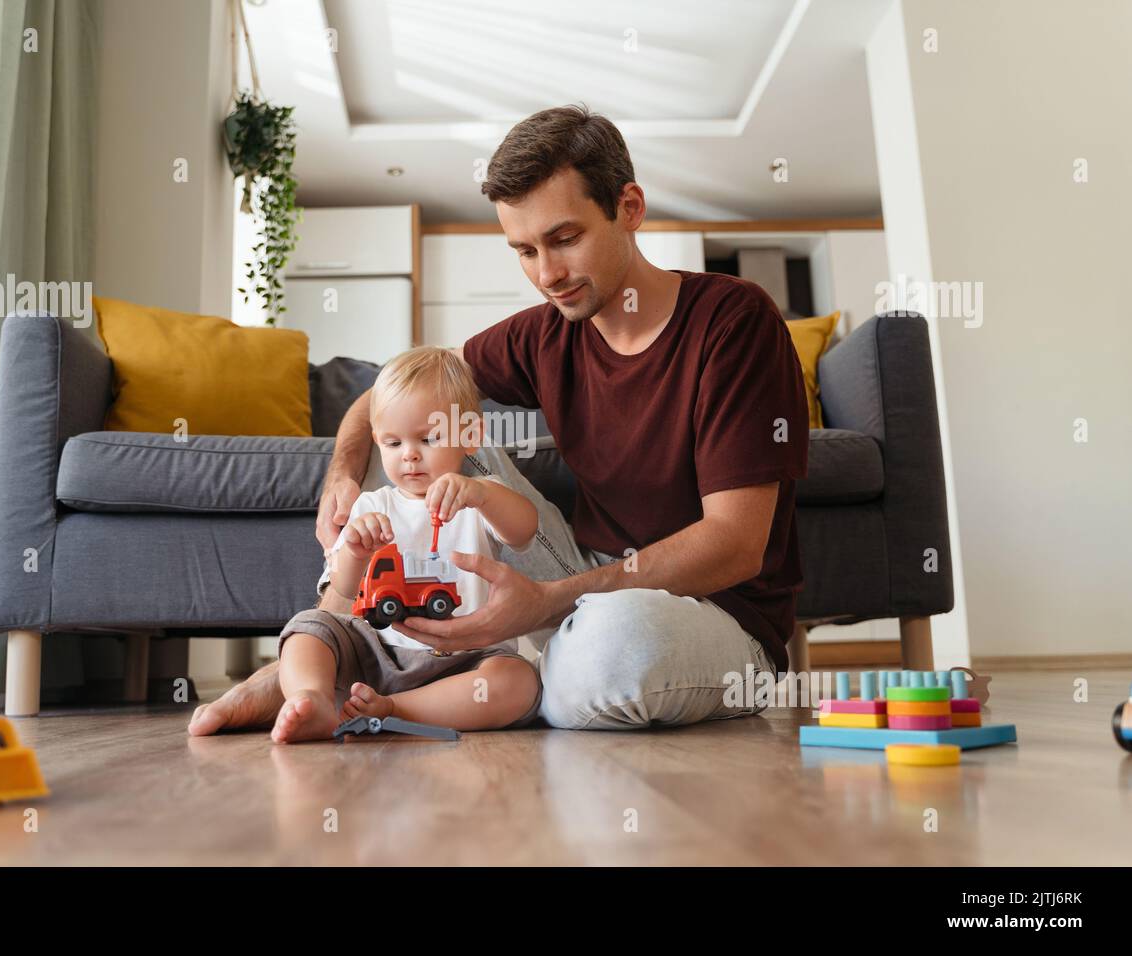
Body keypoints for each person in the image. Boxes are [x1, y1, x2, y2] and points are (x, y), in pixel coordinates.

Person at [189, 103, 807, 736]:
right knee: (435, 424)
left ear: (629, 207)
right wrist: (343, 474)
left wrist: (545, 605)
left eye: (565, 239)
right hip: (580, 580)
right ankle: (336, 646)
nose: (548, 275)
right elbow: (382, 396)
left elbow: (735, 544)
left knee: (612, 643)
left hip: (708, 617)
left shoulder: (733, 322)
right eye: (525, 251)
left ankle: (462, 680)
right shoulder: (542, 334)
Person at [270, 347, 541, 743]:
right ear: (377, 441)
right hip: (375, 651)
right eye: (393, 444)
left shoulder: (480, 497)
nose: (410, 455)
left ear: (470, 437)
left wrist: (481, 494)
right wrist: (356, 552)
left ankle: (397, 709)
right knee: (307, 629)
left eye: (429, 438)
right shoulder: (373, 504)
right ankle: (312, 698)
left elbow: (524, 531)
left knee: (519, 681)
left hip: (464, 659)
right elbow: (345, 594)